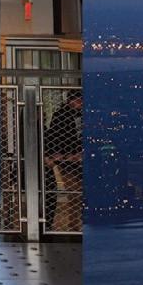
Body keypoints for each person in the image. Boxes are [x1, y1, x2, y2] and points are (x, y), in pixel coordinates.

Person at [44, 92, 83, 231]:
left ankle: (75, 224)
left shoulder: (77, 115)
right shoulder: (62, 115)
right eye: (79, 101)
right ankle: (74, 225)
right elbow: (57, 136)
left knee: (77, 192)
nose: (80, 104)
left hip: (73, 158)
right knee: (74, 191)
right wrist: (64, 155)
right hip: (67, 159)